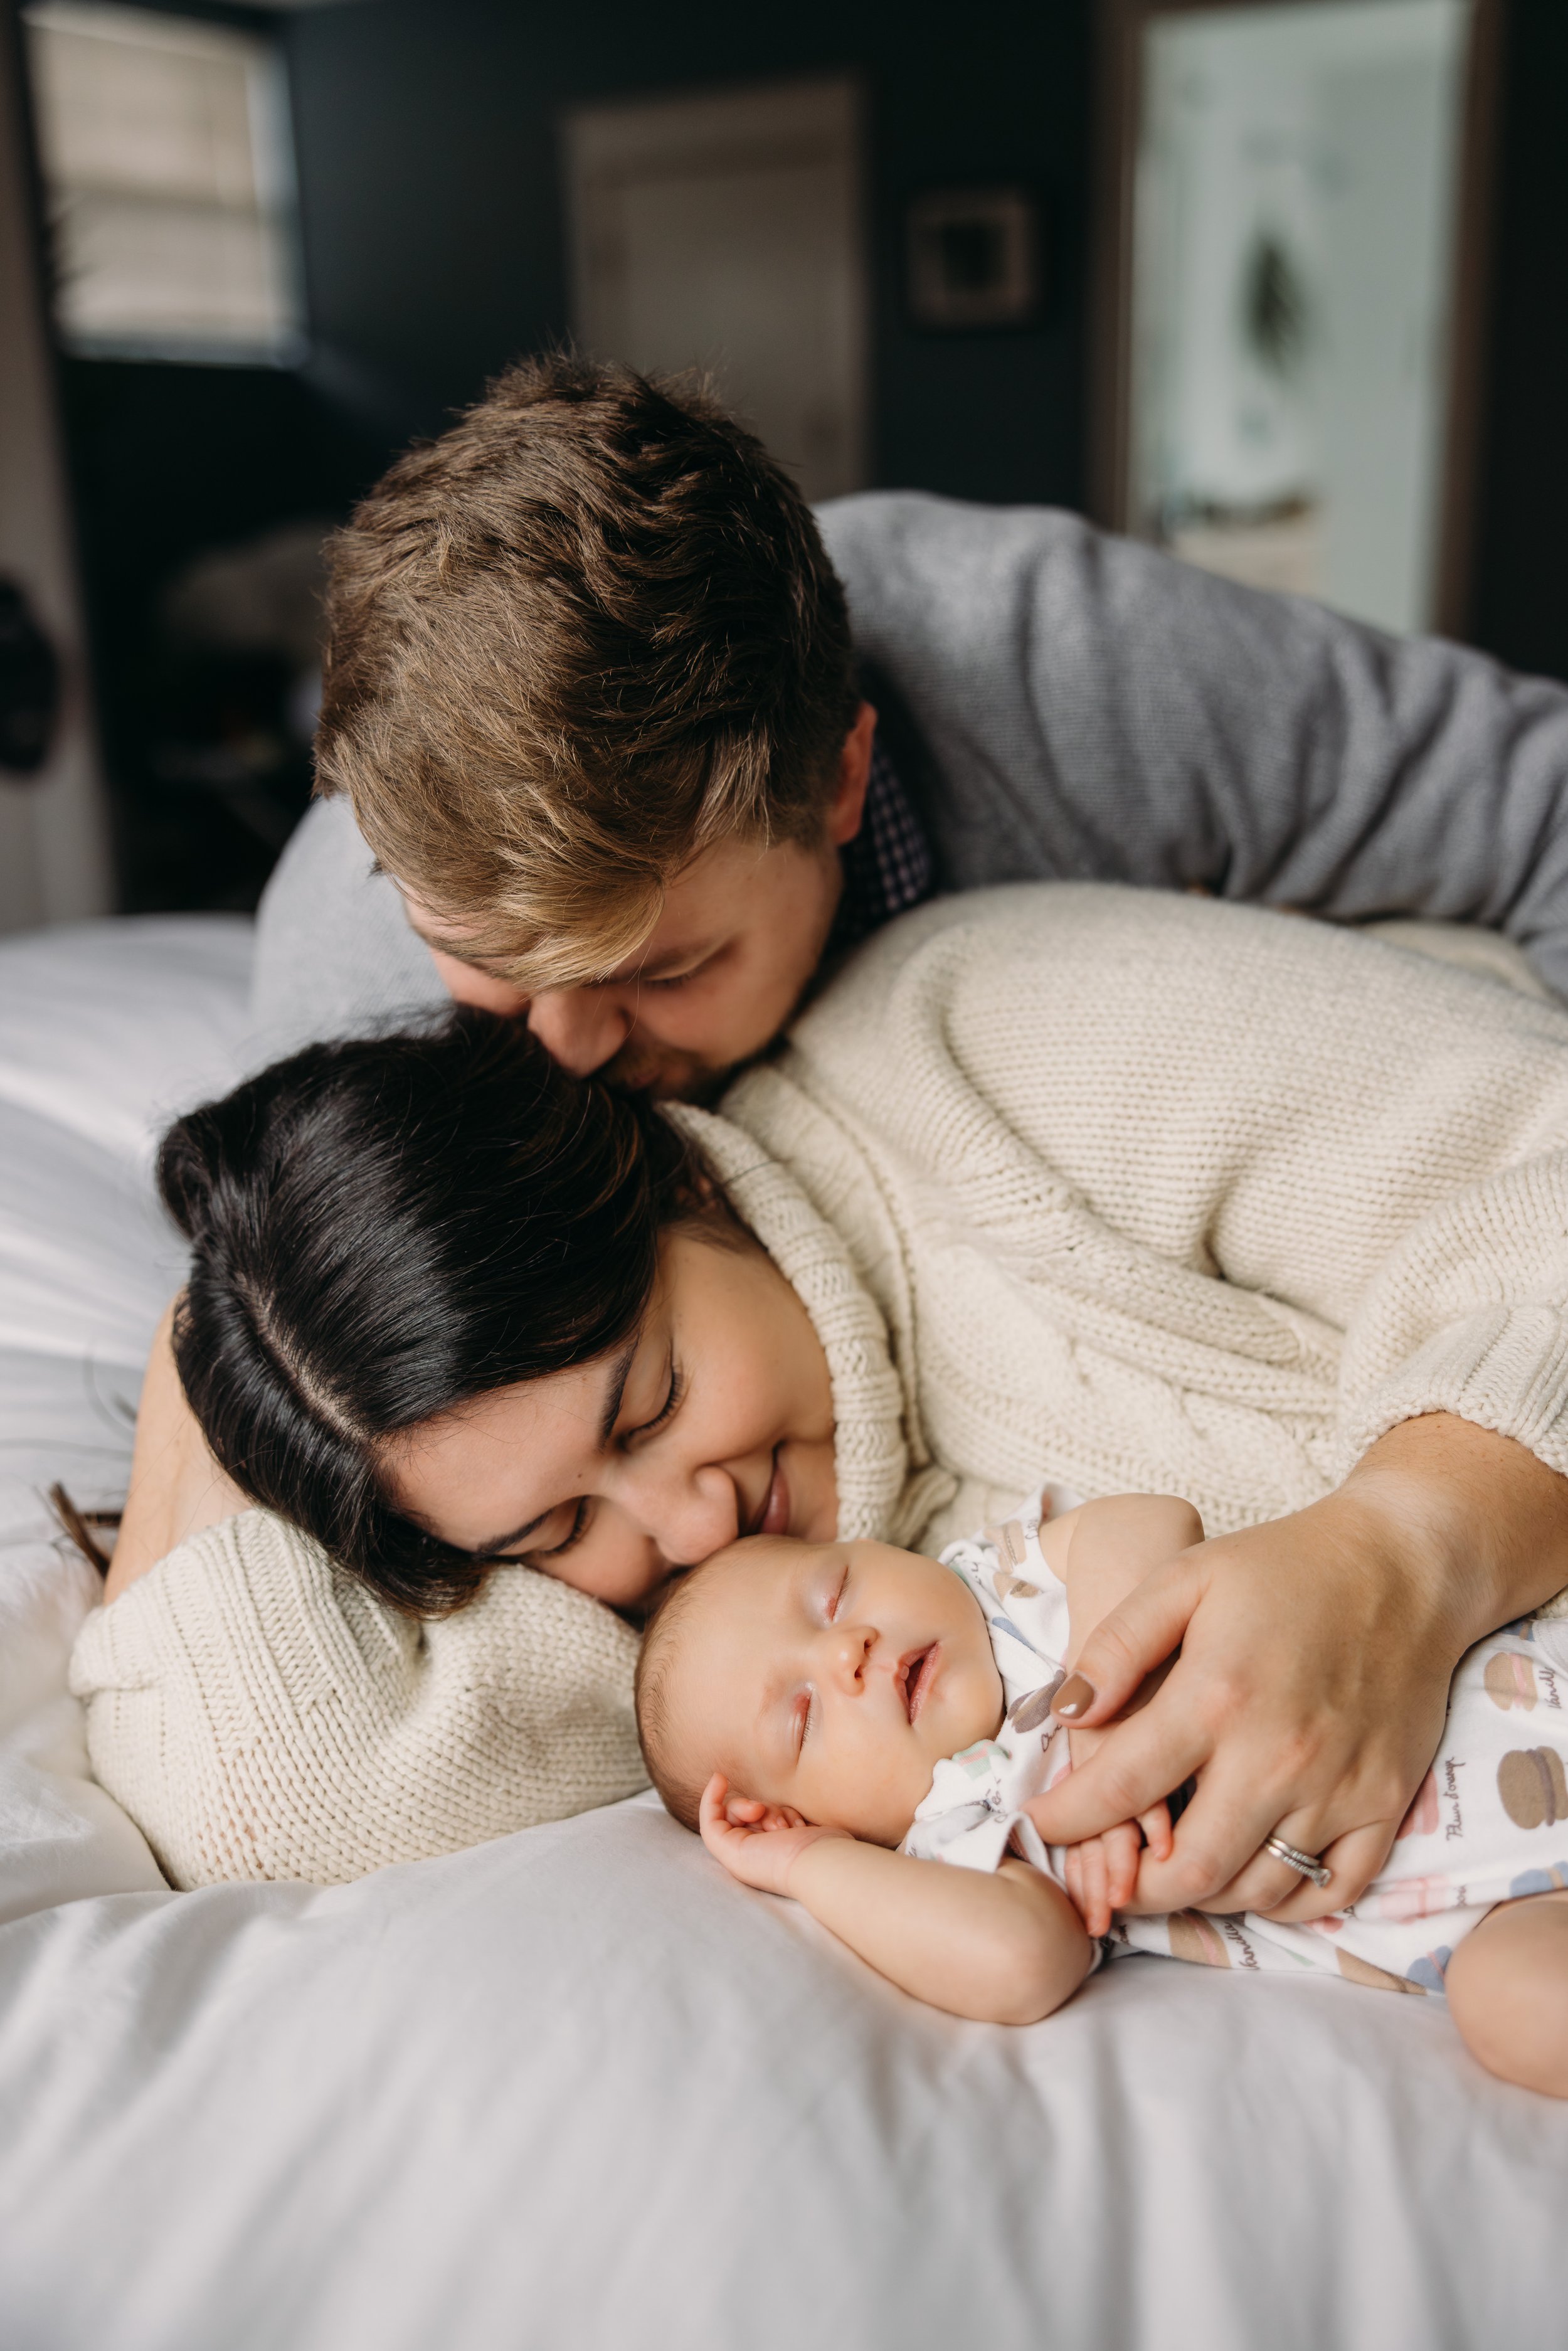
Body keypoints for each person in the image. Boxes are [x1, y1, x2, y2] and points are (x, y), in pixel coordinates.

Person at [91, 884, 1568, 1909]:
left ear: (672, 1173)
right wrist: (236, 1325)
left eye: (652, 1396)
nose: (687, 1519)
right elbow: (274, 1803)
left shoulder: (981, 1035)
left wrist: (1406, 1551)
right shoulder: (720, 1644)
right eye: (554, 1526)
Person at [250, 353, 1568, 1088]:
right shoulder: (340, 975)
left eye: (660, 972)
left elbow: (1541, 797)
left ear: (837, 779)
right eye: (491, 968)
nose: (568, 1051)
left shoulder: (1077, 663)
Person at [633, 1496, 1568, 2098]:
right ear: (802, 1814)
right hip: (1503, 1907)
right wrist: (808, 1865)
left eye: (833, 1594)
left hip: (1509, 1655)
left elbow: (1148, 1521)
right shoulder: (956, 1832)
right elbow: (1021, 1960)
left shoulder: (1005, 1581)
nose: (849, 1650)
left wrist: (1106, 1722)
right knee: (1516, 2010)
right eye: (803, 1717)